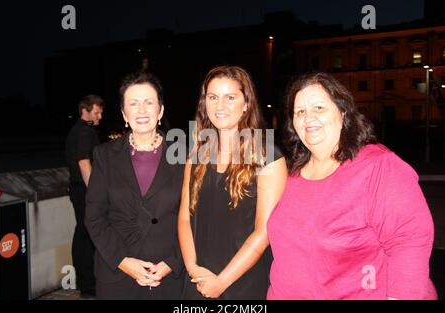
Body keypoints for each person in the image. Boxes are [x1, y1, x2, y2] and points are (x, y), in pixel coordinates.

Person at [267, 72, 437, 300]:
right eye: (300, 112)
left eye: (318, 108)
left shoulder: (376, 166)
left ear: (342, 111)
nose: (308, 118)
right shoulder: (292, 175)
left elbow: (409, 240)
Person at [178, 66, 287, 299]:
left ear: (246, 103)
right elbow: (184, 219)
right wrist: (193, 269)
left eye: (230, 97)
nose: (220, 106)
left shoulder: (268, 157)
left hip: (244, 283)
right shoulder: (196, 155)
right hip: (198, 280)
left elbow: (264, 232)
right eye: (213, 97)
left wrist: (221, 282)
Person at [85, 71, 185, 299]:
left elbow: (195, 216)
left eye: (149, 102)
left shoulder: (184, 155)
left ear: (160, 111)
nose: (141, 110)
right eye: (133, 103)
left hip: (169, 278)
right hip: (118, 276)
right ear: (124, 113)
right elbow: (94, 217)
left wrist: (172, 262)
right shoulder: (105, 155)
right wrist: (122, 261)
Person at [65, 94, 104, 297]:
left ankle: (86, 284)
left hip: (78, 189)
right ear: (85, 110)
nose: (100, 116)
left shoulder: (76, 130)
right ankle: (88, 286)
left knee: (83, 234)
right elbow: (83, 161)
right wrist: (94, 191)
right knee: (87, 236)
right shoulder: (86, 131)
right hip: (83, 190)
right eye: (97, 112)